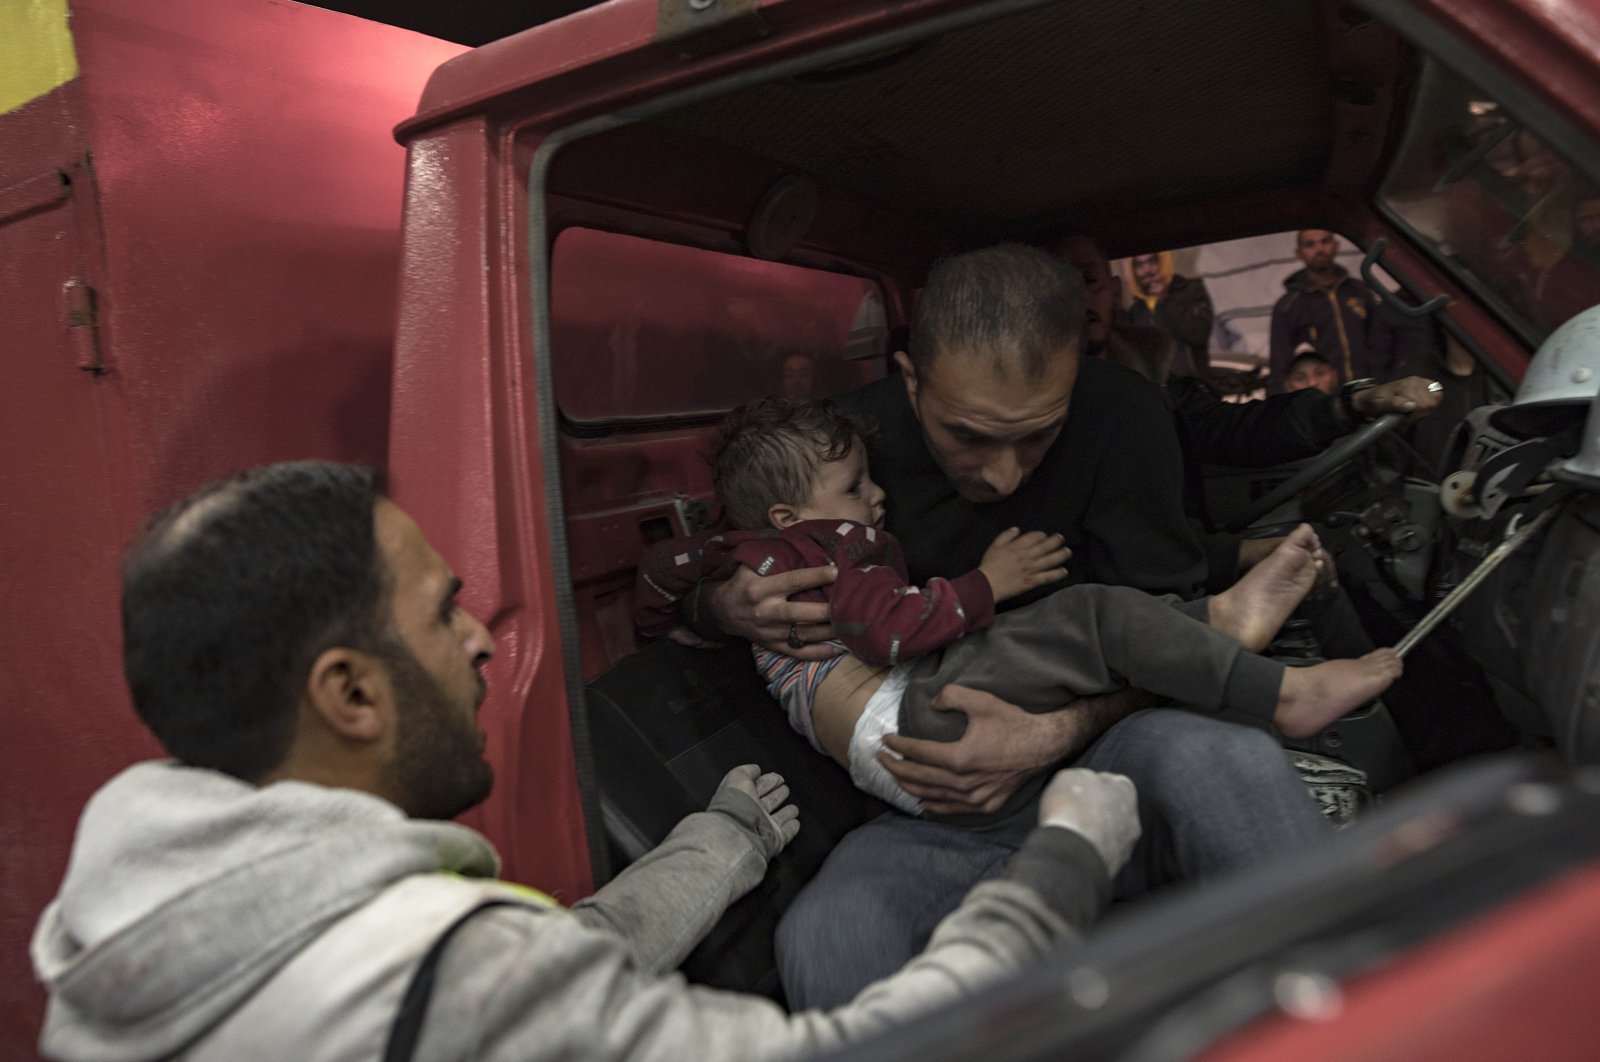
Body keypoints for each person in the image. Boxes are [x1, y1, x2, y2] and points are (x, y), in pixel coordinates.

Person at [30, 460, 1144, 1062]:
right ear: (351, 694)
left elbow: (542, 970)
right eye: (441, 613)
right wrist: (1061, 857)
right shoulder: (434, 977)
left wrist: (724, 840)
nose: (479, 638)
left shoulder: (129, 934)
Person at [653, 245, 1339, 1009]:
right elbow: (700, 570)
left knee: (1229, 763)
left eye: (1038, 435)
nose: (1005, 476)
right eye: (971, 436)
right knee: (829, 935)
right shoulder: (841, 451)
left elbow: (1165, 637)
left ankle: (1361, 1018)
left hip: (1105, 749)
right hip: (931, 795)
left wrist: (1051, 735)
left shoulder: (1124, 417)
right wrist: (723, 605)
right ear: (912, 379)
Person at [637, 397, 1401, 821]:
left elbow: (659, 571)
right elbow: (891, 628)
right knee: (1090, 615)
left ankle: (1215, 626)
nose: (877, 498)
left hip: (901, 737)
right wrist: (988, 583)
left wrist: (693, 602)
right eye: (855, 489)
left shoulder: (743, 555)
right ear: (787, 515)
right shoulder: (834, 550)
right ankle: (1278, 686)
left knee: (1078, 626)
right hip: (915, 728)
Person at [1052, 233, 1443, 592]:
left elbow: (1233, 429)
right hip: (1141, 592)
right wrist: (1235, 554)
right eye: (1059, 287)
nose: (1080, 301)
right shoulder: (1041, 415)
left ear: (1115, 292)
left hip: (1186, 562)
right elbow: (1126, 547)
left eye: (1090, 281)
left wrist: (1350, 404)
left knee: (1334, 553)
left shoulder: (1153, 381)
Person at [1269, 229, 1421, 392]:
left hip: (1367, 391)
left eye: (1325, 241)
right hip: (1324, 400)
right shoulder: (1289, 306)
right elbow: (1279, 365)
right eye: (1310, 244)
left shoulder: (1360, 291)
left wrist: (1382, 382)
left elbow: (1379, 344)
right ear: (1299, 253)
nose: (1319, 249)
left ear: (1336, 246)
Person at [1124, 250, 1216, 373]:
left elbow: (1199, 334)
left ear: (1163, 261)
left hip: (1191, 385)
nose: (1147, 270)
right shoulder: (1136, 310)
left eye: (1153, 261)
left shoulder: (1191, 290)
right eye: (1139, 265)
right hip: (1156, 388)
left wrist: (1165, 300)